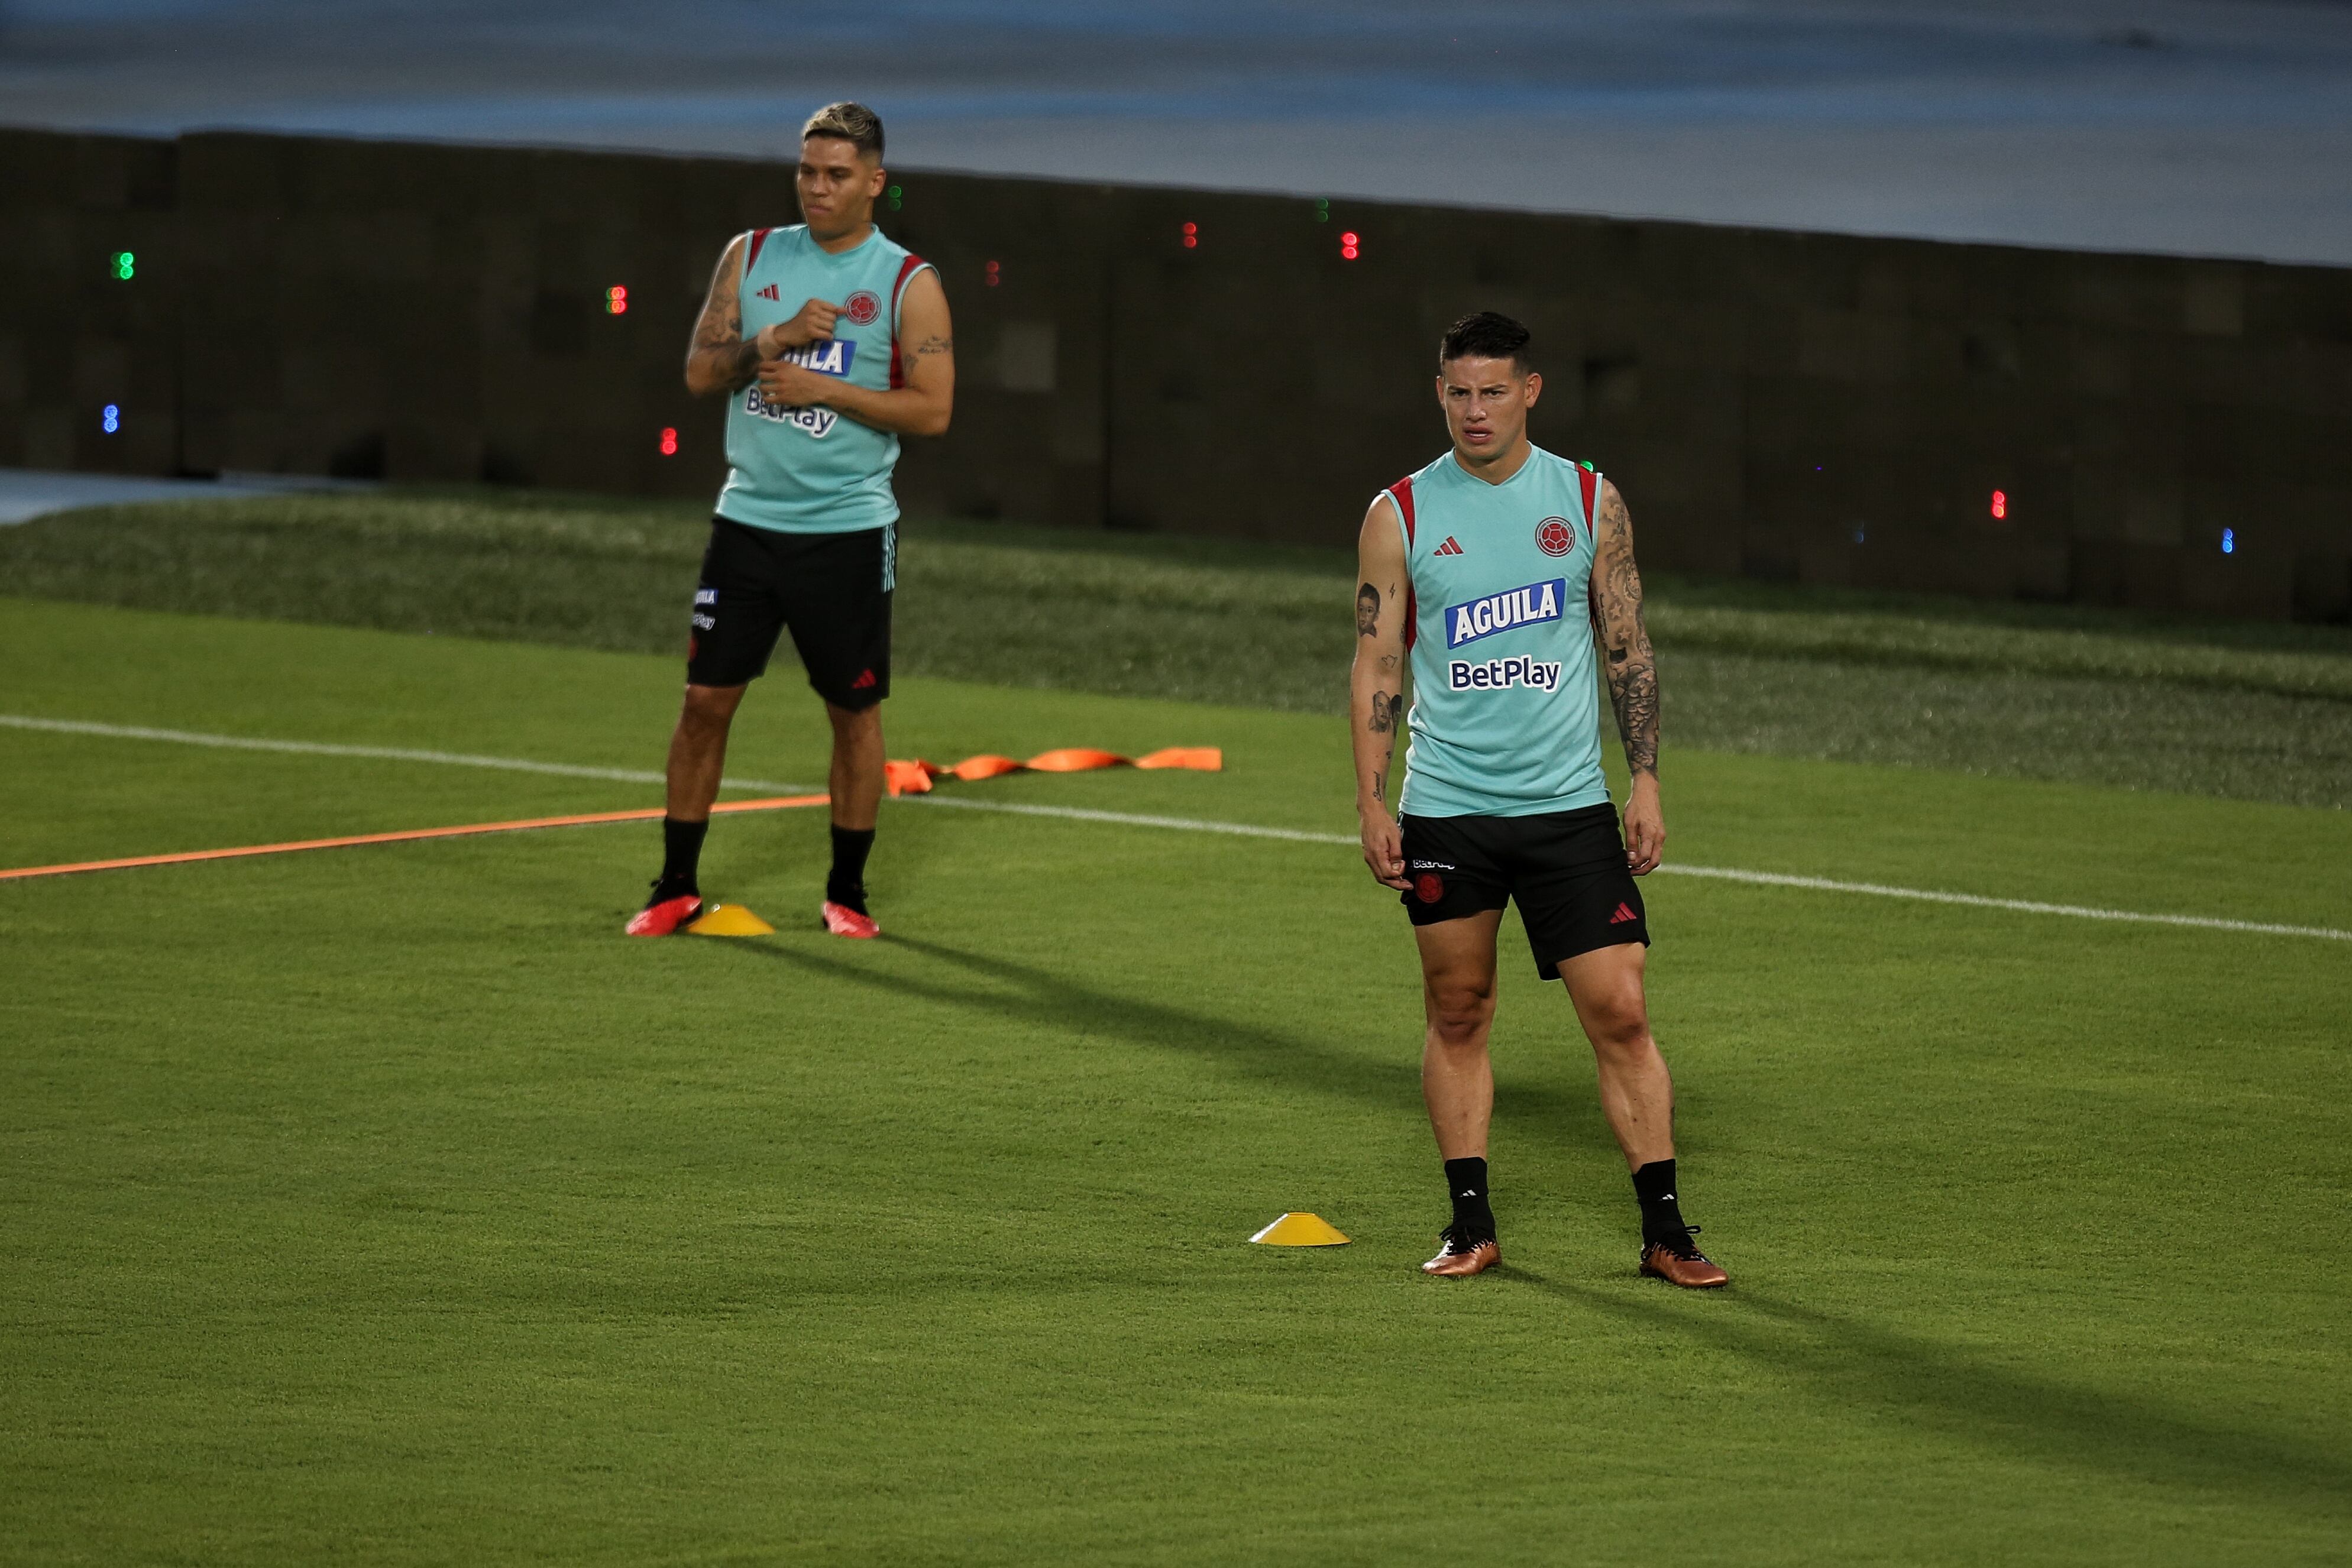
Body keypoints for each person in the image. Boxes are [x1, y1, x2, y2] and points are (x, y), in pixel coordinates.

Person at [1350, 311, 1727, 1288]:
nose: (1474, 410)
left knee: (1622, 1012)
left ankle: (1667, 1233)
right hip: (1448, 810)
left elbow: (1626, 646)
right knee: (1459, 1009)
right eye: (1457, 392)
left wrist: (1643, 779)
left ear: (1530, 391)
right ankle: (1469, 1225)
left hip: (1568, 809)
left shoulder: (1588, 500)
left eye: (1492, 391)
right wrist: (1372, 799)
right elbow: (1378, 659)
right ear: (1438, 392)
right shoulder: (1400, 514)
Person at [627, 102, 954, 940]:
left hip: (846, 532)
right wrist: (769, 341)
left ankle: (847, 895)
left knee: (853, 714)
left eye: (837, 175)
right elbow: (702, 373)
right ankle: (672, 886)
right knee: (704, 701)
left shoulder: (906, 283)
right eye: (807, 171)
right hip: (745, 523)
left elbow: (932, 413)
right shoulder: (752, 255)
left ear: (874, 183)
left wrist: (826, 389)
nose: (818, 187)